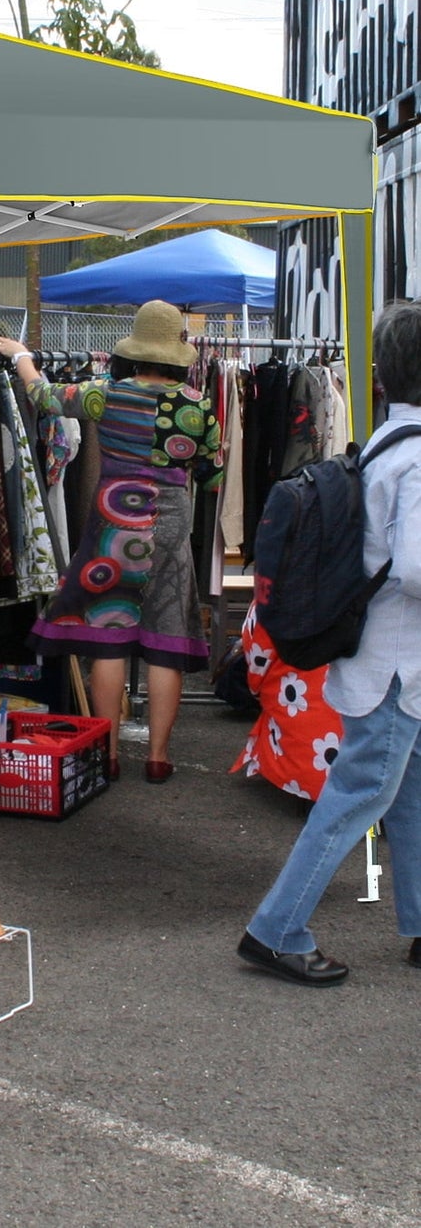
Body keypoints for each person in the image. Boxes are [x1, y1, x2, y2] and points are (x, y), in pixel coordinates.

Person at [237, 299, 421, 988]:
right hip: (397, 663)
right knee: (360, 792)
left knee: (406, 792)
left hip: (378, 655)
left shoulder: (385, 441)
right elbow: (414, 566)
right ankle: (275, 928)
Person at [0, 300, 221, 784]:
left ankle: (109, 752)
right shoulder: (198, 405)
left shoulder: (105, 393)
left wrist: (21, 355)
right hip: (171, 521)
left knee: (109, 635)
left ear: (137, 349)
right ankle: (157, 756)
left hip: (114, 517)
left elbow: (44, 396)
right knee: (165, 637)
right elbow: (212, 472)